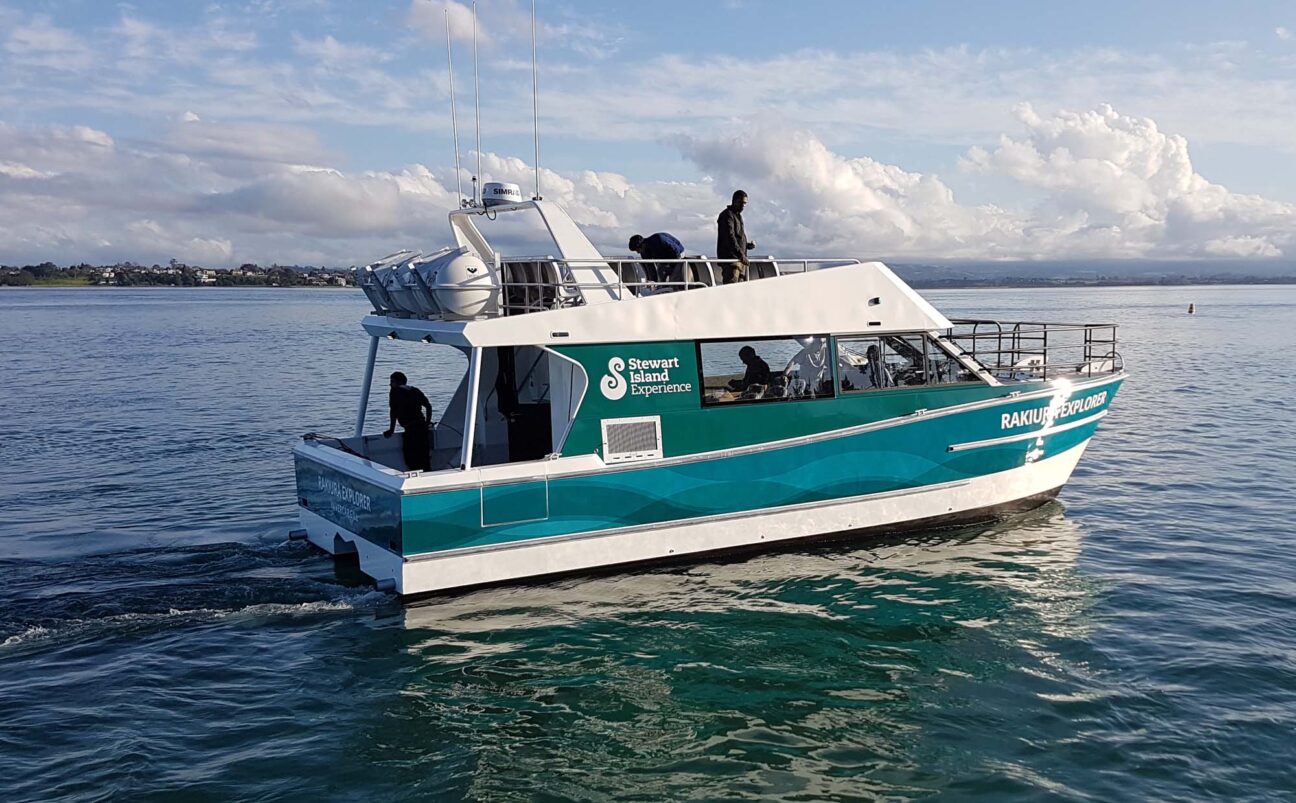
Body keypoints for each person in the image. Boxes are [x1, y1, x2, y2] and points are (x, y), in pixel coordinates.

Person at [383, 371, 433, 471]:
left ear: (399, 382)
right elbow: (428, 406)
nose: (390, 384)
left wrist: (391, 430)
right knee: (424, 458)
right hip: (422, 428)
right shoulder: (415, 390)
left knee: (411, 459)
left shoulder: (394, 391)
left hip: (411, 429)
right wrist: (427, 423)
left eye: (392, 381)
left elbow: (393, 412)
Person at [716, 190, 755, 284]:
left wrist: (747, 245)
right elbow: (729, 237)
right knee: (731, 290)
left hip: (740, 260)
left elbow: (738, 237)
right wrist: (740, 254)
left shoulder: (738, 216)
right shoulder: (726, 215)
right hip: (732, 261)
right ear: (734, 201)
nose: (743, 206)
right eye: (741, 203)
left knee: (740, 291)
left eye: (745, 203)